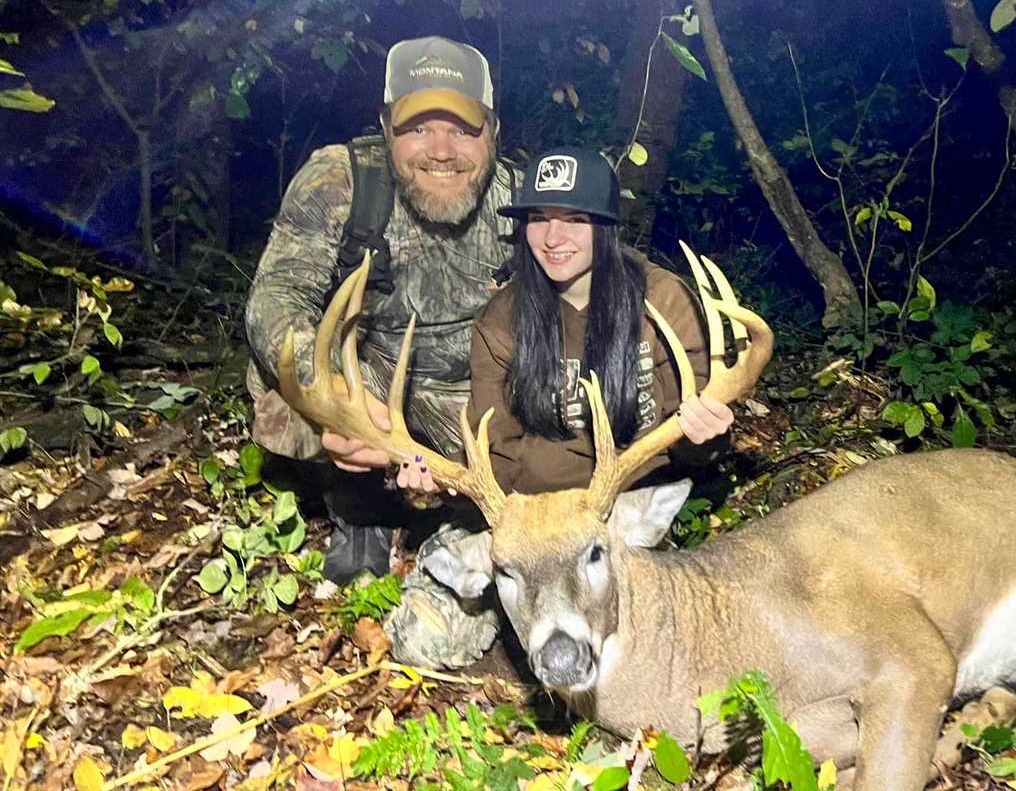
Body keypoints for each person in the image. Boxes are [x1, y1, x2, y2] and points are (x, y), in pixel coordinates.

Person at [244, 36, 516, 592]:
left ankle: (453, 517)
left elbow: (598, 279)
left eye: (462, 129)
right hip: (371, 379)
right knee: (288, 381)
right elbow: (275, 297)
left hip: (474, 393)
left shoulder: (519, 198)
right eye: (418, 128)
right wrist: (340, 404)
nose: (441, 150)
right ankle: (358, 512)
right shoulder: (342, 181)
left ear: (492, 132)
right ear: (387, 127)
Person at [468, 145, 735, 492]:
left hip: (640, 500)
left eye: (575, 219)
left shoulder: (663, 299)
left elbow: (695, 437)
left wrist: (704, 437)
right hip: (543, 512)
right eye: (538, 218)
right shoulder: (501, 320)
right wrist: (446, 491)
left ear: (606, 227)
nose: (552, 238)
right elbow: (494, 451)